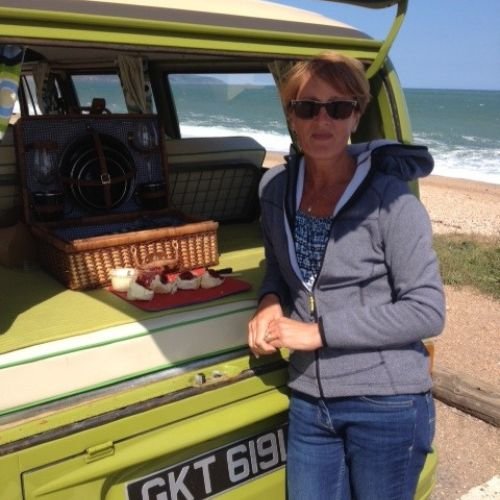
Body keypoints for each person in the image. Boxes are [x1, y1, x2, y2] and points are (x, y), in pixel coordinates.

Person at [247, 52, 445, 500]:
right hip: (310, 402)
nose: (323, 120)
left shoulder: (391, 202)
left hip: (386, 402)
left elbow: (427, 312)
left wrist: (319, 333)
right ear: (291, 115)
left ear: (356, 113)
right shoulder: (276, 190)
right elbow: (279, 267)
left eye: (338, 108)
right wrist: (270, 302)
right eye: (307, 107)